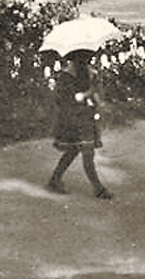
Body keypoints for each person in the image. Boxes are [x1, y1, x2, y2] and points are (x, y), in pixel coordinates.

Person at [47, 49, 113, 199]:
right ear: (74, 58)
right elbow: (69, 98)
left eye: (87, 57)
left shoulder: (90, 73)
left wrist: (98, 101)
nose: (86, 61)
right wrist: (87, 94)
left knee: (76, 149)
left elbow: (96, 94)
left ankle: (55, 179)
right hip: (73, 118)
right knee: (83, 151)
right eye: (82, 58)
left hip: (86, 117)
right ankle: (98, 188)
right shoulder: (66, 75)